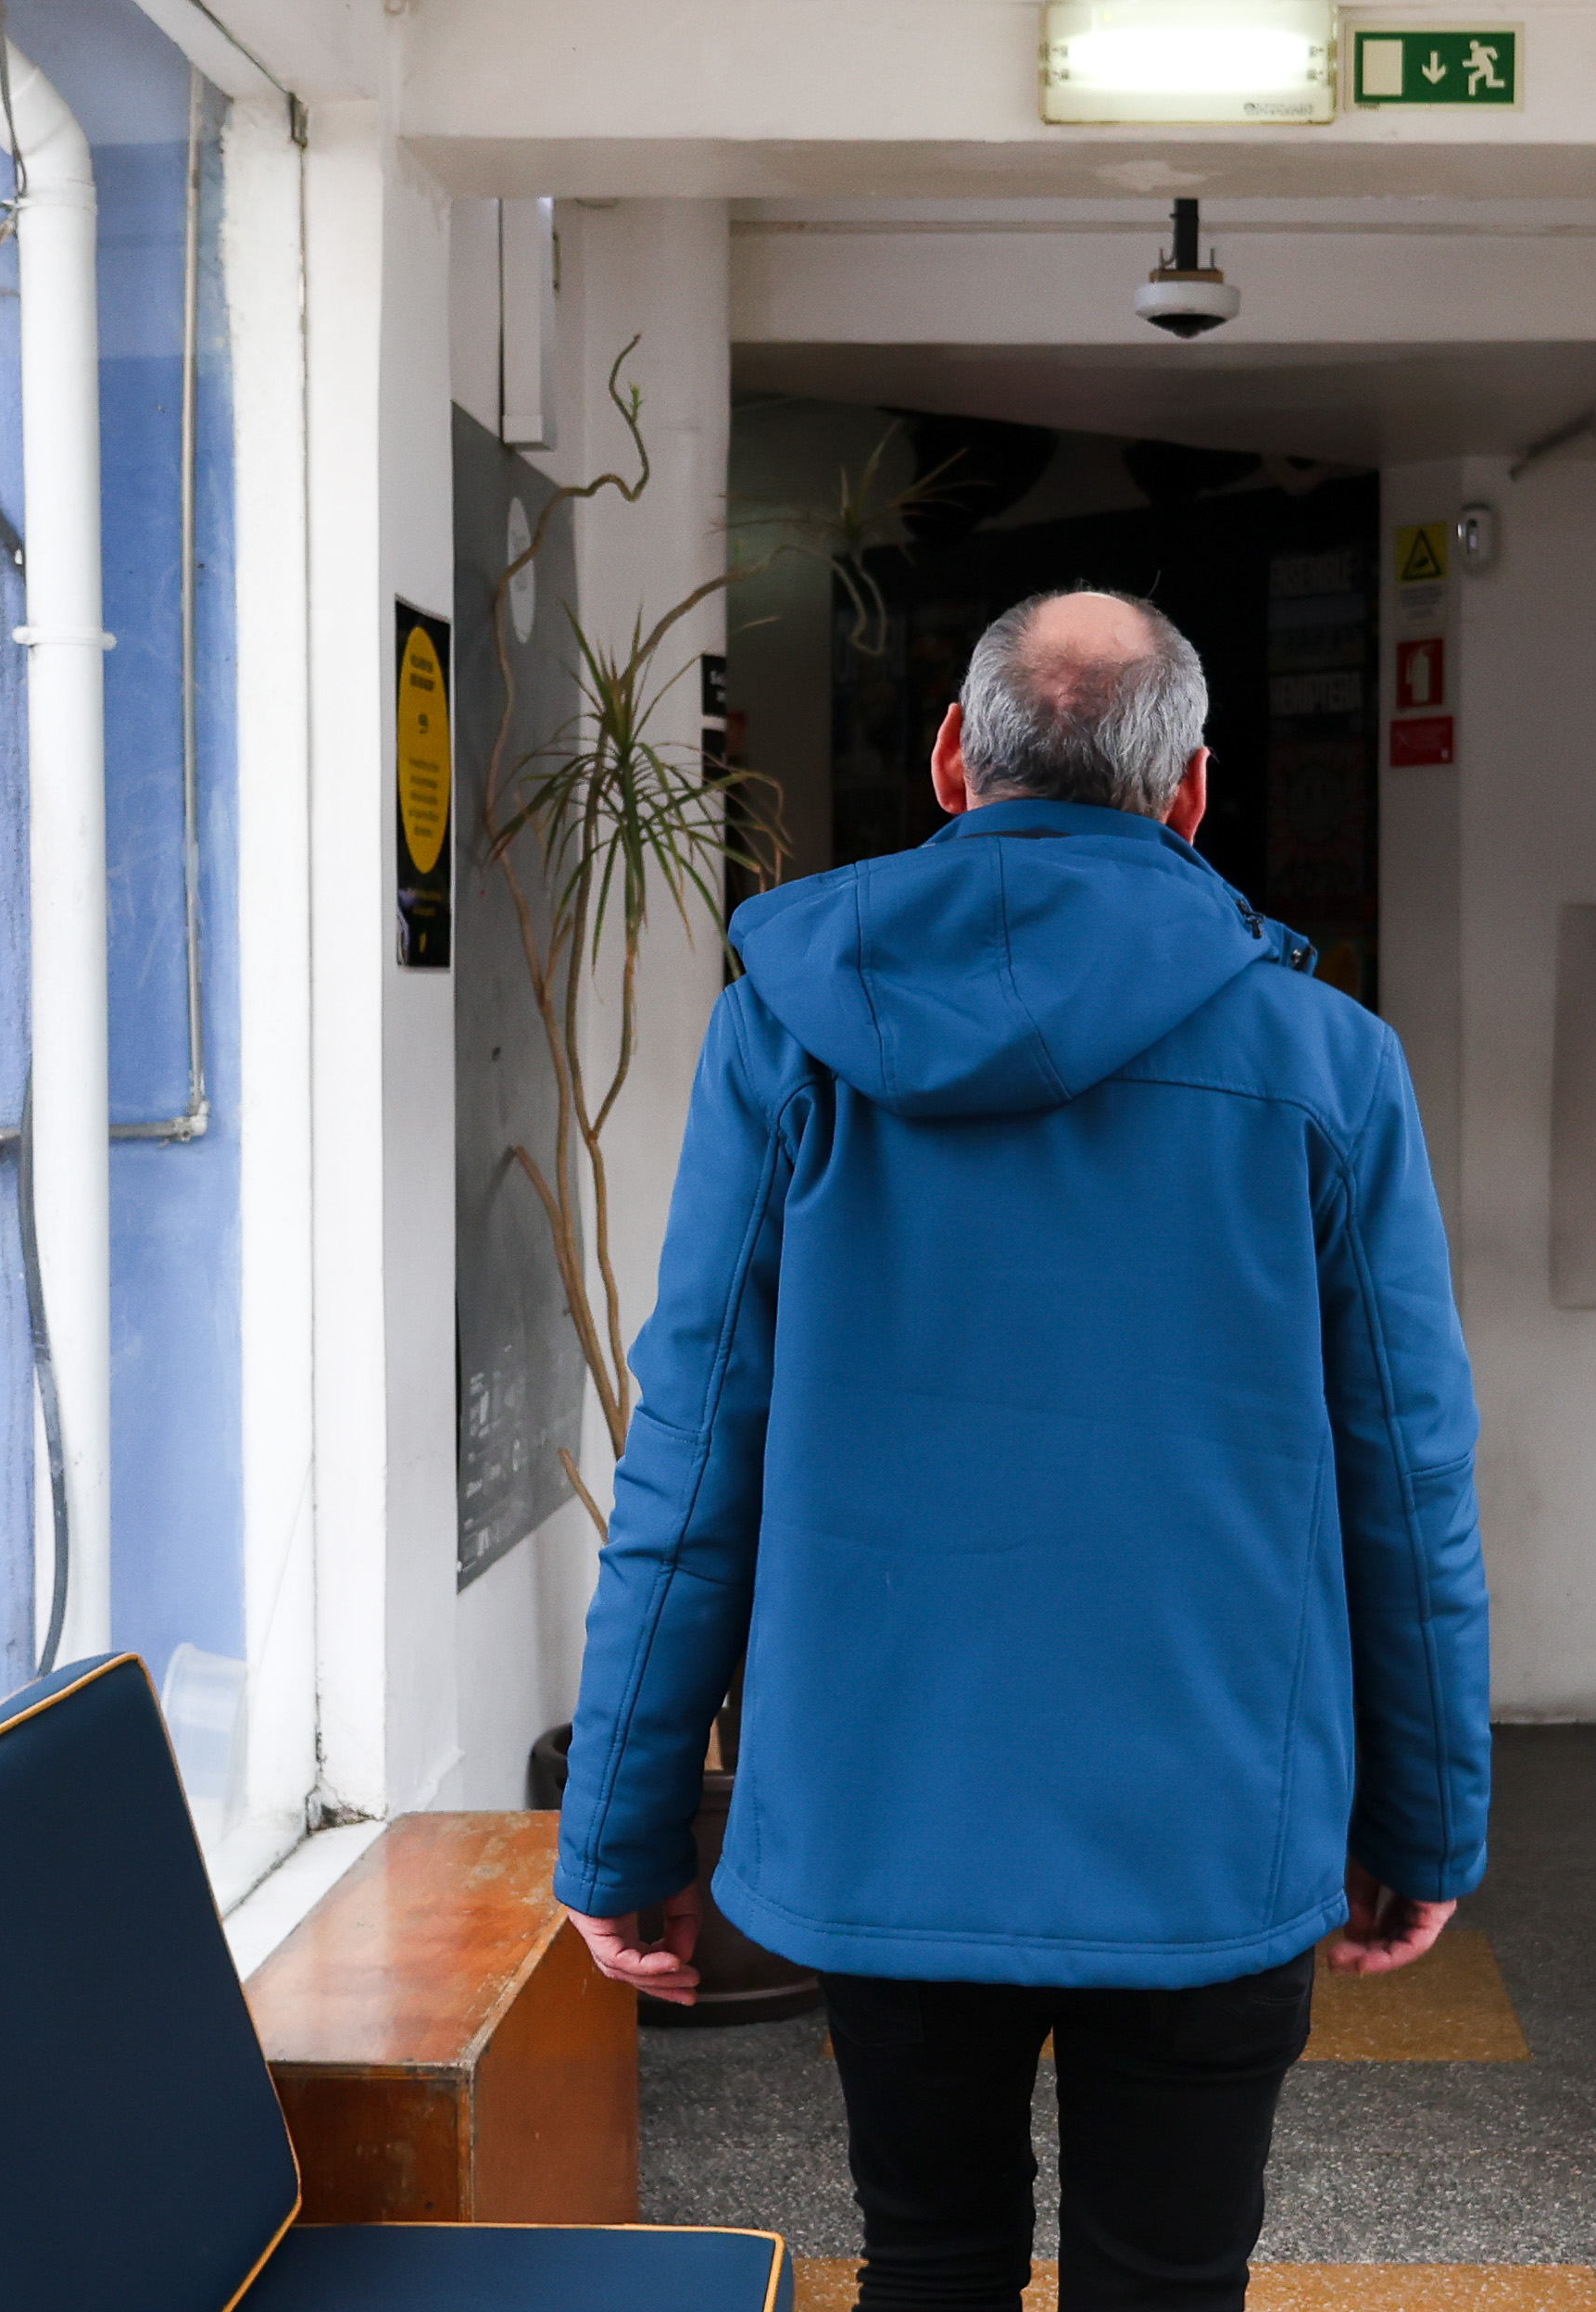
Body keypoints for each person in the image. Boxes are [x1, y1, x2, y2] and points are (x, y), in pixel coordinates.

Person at [552, 588, 1492, 2312]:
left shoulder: (786, 1030)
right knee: (1170, 2282)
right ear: (1193, 790)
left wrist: (622, 1831)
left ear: (950, 766)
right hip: (1209, 1814)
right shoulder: (1326, 1061)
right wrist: (1425, 1818)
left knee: (929, 2263)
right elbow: (1406, 1469)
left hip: (885, 1813)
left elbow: (694, 1449)